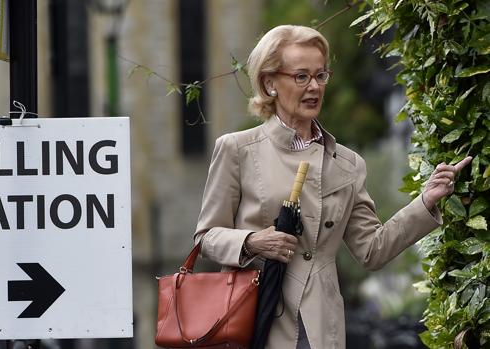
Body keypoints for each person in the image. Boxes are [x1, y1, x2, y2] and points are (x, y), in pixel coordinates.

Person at [193, 24, 472, 349]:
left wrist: (426, 201)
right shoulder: (237, 149)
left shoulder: (348, 164)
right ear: (270, 83)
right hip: (256, 322)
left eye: (321, 76)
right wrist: (253, 241)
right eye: (301, 76)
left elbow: (372, 251)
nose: (314, 87)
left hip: (321, 328)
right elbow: (207, 237)